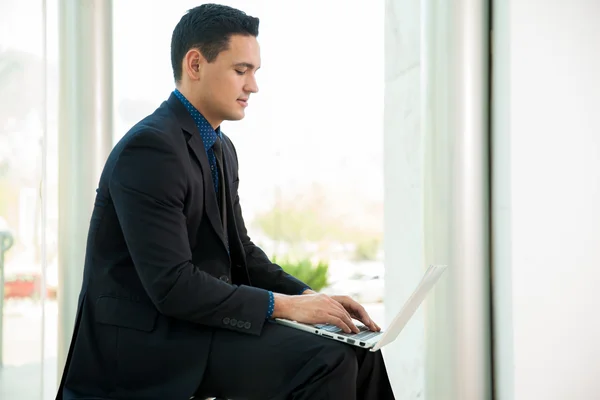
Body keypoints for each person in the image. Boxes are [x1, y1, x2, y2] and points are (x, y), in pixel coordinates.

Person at [57, 3, 395, 400]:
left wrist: (310, 299)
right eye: (241, 70)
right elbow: (173, 285)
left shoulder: (220, 147)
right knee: (325, 359)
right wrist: (283, 306)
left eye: (254, 72)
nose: (253, 86)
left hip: (194, 327)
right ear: (195, 64)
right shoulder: (150, 148)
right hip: (146, 345)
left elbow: (242, 255)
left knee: (360, 351)